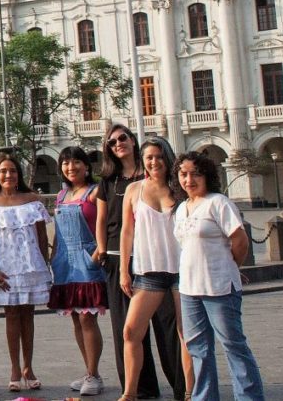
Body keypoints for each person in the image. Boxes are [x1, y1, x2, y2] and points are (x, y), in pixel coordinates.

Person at [97, 124, 184, 399]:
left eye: (123, 138)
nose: (118, 144)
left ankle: (185, 388)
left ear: (133, 141)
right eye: (112, 142)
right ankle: (136, 390)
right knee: (130, 330)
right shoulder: (112, 181)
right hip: (133, 264)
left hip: (174, 267)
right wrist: (110, 257)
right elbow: (115, 225)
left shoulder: (176, 184)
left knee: (176, 331)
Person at [173, 151, 265, 401]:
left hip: (220, 287)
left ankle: (249, 397)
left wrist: (231, 266)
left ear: (207, 176)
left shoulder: (218, 203)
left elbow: (240, 240)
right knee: (198, 349)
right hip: (190, 289)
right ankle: (205, 396)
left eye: (195, 174)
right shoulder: (181, 208)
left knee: (233, 345)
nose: (189, 179)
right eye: (183, 174)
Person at [118, 136, 193, 401]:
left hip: (182, 271)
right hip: (148, 272)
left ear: (167, 158)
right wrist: (123, 270)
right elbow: (127, 232)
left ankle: (189, 391)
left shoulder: (180, 188)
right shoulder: (134, 190)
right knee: (131, 331)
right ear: (143, 160)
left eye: (159, 156)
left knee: (186, 334)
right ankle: (129, 392)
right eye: (149, 157)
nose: (154, 162)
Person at [0, 153, 51, 392]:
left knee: (28, 316)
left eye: (12, 171)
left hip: (31, 266)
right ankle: (14, 369)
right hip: (4, 269)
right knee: (11, 316)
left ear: (18, 174)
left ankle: (29, 367)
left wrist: (46, 266)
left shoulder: (32, 200)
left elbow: (41, 236)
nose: (8, 175)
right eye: (3, 171)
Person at [48, 147, 107, 396]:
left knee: (87, 316)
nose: (71, 168)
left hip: (87, 259)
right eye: (66, 163)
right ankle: (88, 371)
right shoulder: (61, 195)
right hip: (64, 262)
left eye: (76, 163)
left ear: (86, 166)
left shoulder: (95, 192)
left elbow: (104, 223)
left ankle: (94, 374)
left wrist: (98, 253)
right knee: (75, 316)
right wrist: (53, 258)